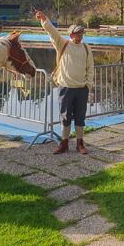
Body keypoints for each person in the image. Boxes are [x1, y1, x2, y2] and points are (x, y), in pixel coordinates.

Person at [36, 10, 94, 155]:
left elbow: (90, 68)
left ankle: (80, 143)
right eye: (77, 34)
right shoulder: (62, 44)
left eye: (81, 34)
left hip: (81, 89)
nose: (80, 37)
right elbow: (52, 32)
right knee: (65, 117)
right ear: (71, 35)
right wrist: (44, 20)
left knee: (80, 118)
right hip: (66, 88)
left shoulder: (87, 48)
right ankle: (64, 143)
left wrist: (88, 85)